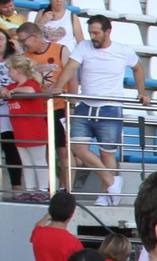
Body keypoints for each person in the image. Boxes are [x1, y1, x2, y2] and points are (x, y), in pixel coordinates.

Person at [49, 15, 149, 202]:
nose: (92, 36)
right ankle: (112, 182)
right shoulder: (83, 46)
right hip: (85, 105)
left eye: (96, 33)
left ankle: (105, 195)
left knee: (107, 153)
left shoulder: (122, 50)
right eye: (90, 32)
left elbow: (138, 68)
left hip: (110, 108)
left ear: (108, 32)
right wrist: (58, 87)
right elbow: (71, 67)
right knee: (77, 147)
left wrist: (141, 92)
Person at [14, 22, 70, 182]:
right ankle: (45, 188)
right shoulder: (26, 57)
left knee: (63, 150)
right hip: (37, 111)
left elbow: (72, 77)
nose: (22, 44)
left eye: (23, 40)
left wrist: (72, 103)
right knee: (41, 152)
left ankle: (63, 188)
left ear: (35, 37)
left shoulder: (60, 50)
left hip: (58, 108)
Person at [5, 53, 48, 194]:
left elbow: (30, 91)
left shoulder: (31, 84)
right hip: (20, 133)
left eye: (10, 70)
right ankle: (30, 190)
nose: (8, 73)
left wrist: (15, 90)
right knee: (27, 163)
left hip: (35, 132)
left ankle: (43, 189)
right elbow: (0, 89)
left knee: (39, 161)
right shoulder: (12, 85)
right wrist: (5, 90)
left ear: (17, 70)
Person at [0, 27, 22, 194]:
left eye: (1, 38)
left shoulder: (13, 60)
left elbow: (25, 70)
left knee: (11, 149)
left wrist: (18, 50)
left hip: (10, 109)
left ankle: (17, 187)